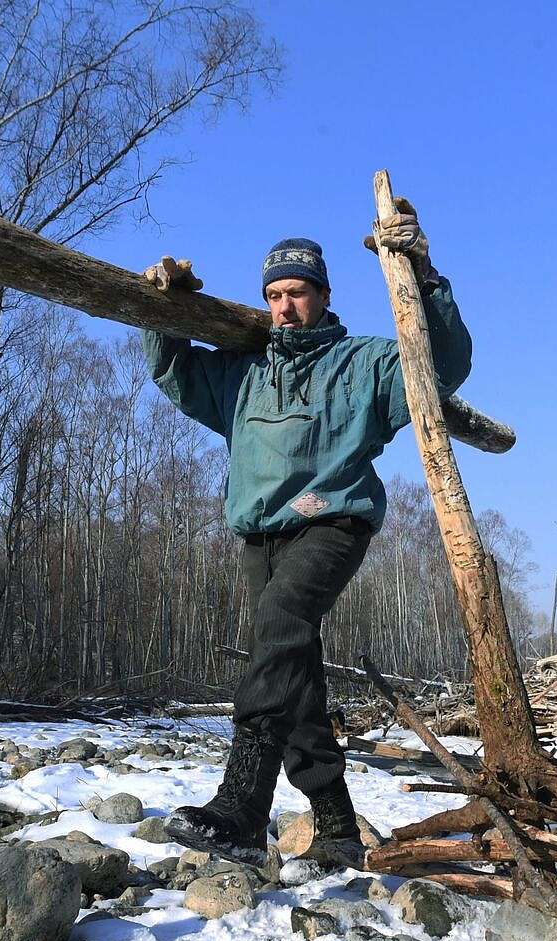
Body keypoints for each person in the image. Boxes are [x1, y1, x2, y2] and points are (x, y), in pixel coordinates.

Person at [140, 205, 470, 868]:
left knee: (282, 623)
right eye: (274, 295)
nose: (284, 307)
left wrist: (425, 277)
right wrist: (165, 306)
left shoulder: (364, 364)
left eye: (296, 293)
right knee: (292, 669)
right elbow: (175, 373)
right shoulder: (242, 371)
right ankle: (337, 824)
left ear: (323, 295)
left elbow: (439, 367)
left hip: (333, 519)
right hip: (262, 533)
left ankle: (242, 806)